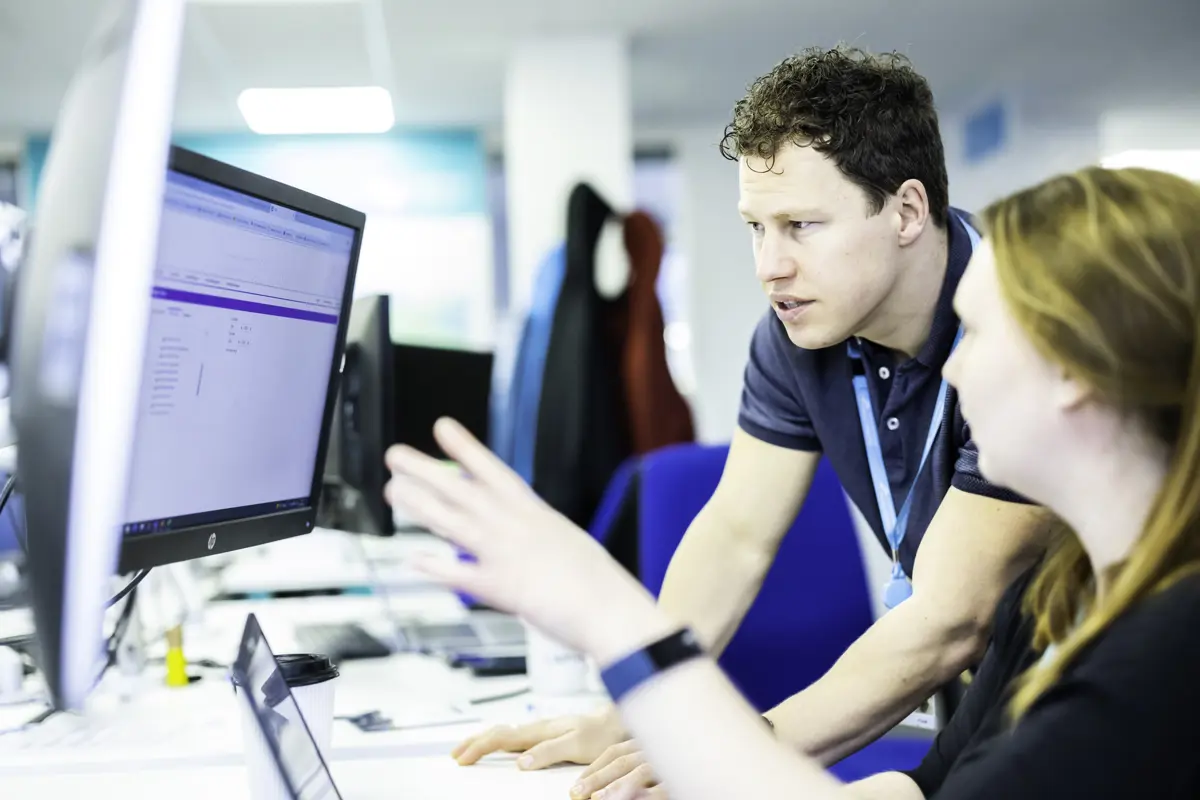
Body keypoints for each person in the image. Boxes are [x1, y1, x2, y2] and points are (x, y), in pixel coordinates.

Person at [385, 165, 1200, 798]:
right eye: (756, 228)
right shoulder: (1054, 596)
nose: (950, 369)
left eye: (980, 334)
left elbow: (949, 623)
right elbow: (927, 786)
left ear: (1076, 373)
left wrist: (617, 626)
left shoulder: (1159, 659)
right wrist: (659, 730)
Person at [436, 45, 1055, 798]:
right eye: (756, 228)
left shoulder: (1017, 331)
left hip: (1069, 692)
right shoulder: (797, 333)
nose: (770, 266)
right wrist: (641, 705)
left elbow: (951, 618)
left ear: (907, 211)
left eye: (801, 225)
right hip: (968, 704)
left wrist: (722, 749)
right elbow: (735, 533)